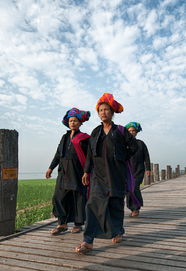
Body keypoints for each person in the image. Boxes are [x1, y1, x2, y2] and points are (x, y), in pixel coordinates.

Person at [74, 93, 138, 253]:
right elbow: (89, 154)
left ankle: (117, 231)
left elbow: (134, 147)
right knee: (92, 204)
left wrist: (122, 159)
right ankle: (88, 240)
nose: (103, 112)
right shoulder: (95, 132)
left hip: (117, 174)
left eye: (106, 110)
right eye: (100, 110)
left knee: (115, 204)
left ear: (112, 112)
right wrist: (86, 172)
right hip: (98, 175)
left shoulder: (121, 131)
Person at [45, 108, 91, 235]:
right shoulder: (64, 137)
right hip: (63, 171)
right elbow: (58, 154)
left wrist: (87, 171)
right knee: (58, 196)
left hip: (77, 171)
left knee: (78, 197)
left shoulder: (85, 138)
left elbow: (90, 156)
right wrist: (51, 167)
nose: (73, 123)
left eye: (75, 121)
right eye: (71, 120)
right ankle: (62, 223)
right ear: (68, 122)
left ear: (80, 123)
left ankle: (78, 224)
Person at [125, 122, 151, 217]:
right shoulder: (124, 144)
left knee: (135, 187)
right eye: (130, 131)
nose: (132, 132)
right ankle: (132, 208)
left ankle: (136, 207)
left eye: (133, 131)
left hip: (139, 170)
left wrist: (148, 169)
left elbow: (146, 157)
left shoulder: (141, 144)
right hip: (127, 171)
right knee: (129, 189)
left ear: (136, 132)